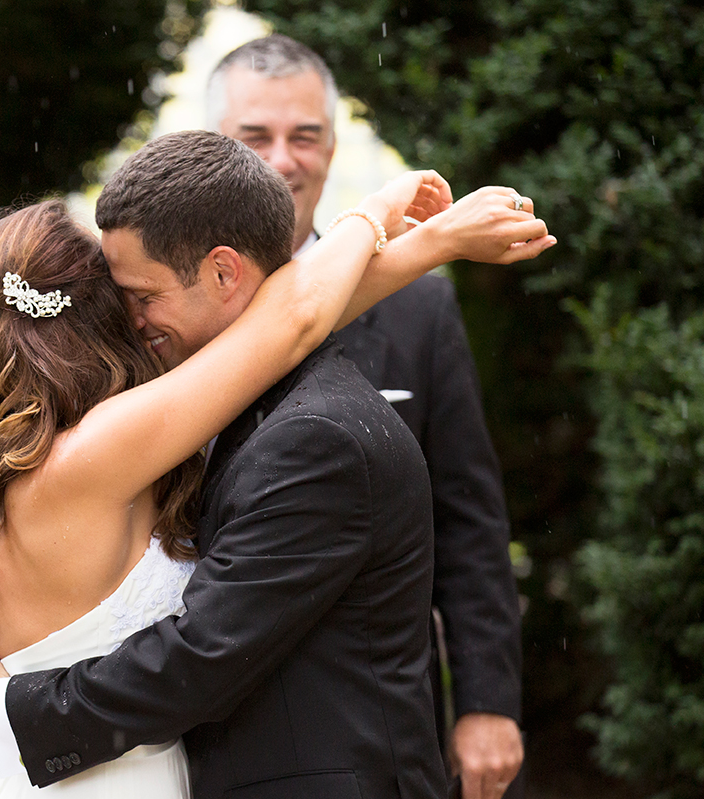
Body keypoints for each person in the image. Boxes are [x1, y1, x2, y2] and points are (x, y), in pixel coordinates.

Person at [0, 130, 554, 799]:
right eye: (125, 302)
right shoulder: (104, 447)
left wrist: (429, 240)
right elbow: (285, 324)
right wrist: (381, 216)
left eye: (141, 297)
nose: (138, 323)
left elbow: (275, 332)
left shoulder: (120, 445)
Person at [208, 35, 525, 799]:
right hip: (208, 700)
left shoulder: (419, 304)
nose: (284, 159)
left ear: (332, 144)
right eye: (256, 137)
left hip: (377, 726)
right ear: (215, 147)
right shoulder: (173, 308)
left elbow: (468, 514)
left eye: (305, 135)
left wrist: (486, 699)